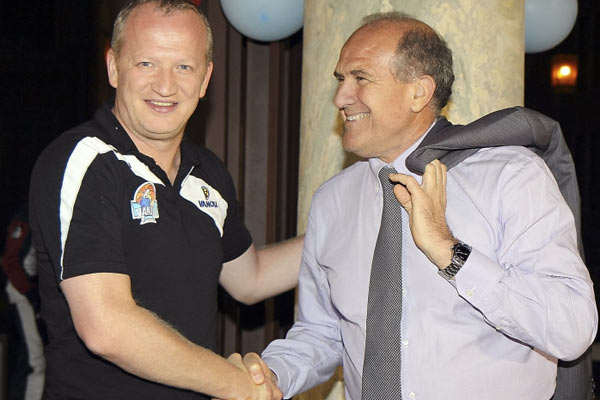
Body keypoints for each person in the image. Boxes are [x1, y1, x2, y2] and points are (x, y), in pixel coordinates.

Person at [240, 12, 598, 400]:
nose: (340, 97)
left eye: (361, 78)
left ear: (419, 92)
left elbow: (572, 328)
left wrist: (449, 252)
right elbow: (323, 332)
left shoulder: (510, 176)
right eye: (341, 80)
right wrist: (268, 376)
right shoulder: (332, 201)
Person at [28, 1, 300, 399]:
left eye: (184, 67)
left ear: (205, 79)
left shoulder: (208, 173)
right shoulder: (86, 161)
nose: (166, 86)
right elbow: (106, 326)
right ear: (114, 67)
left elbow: (250, 278)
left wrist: (349, 228)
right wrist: (235, 384)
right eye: (147, 64)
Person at [2, 202, 46, 400]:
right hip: (21, 295)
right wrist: (30, 294)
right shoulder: (27, 213)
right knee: (34, 361)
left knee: (27, 357)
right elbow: (11, 262)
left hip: (32, 294)